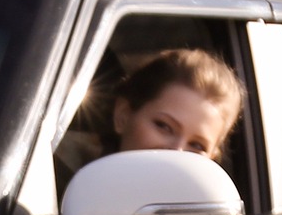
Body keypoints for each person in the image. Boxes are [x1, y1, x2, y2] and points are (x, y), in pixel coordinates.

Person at [52, 45, 245, 193]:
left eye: (197, 146)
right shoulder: (51, 178)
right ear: (123, 115)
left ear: (212, 157)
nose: (177, 152)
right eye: (163, 126)